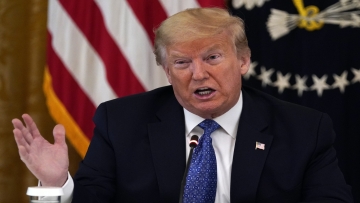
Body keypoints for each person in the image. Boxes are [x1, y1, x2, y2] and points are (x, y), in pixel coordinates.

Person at [12, 8, 353, 203]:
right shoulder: (121, 121)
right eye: (181, 63)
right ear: (165, 70)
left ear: (244, 61)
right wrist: (56, 183)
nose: (199, 74)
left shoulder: (304, 128)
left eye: (213, 58)